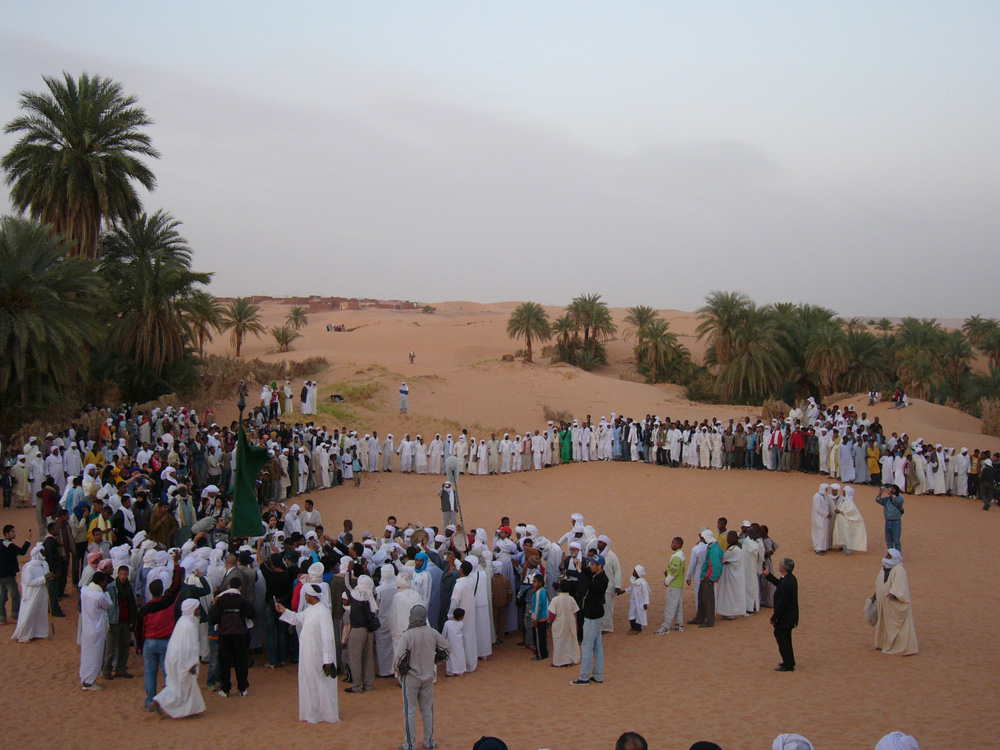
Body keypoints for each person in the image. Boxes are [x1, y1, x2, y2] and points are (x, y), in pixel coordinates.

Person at [276, 583, 339, 723]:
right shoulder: (311, 610)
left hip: (317, 654)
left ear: (311, 596)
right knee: (309, 682)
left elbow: (328, 637)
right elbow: (298, 618)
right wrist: (284, 610)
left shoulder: (323, 612)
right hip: (307, 654)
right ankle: (312, 713)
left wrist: (328, 659)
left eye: (305, 594)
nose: (304, 597)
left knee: (318, 683)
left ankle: (323, 714)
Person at [393, 604, 450, 750]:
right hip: (428, 676)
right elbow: (446, 649)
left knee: (409, 711)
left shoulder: (407, 635)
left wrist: (399, 671)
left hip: (411, 677)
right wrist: (435, 660)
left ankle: (410, 744)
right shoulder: (432, 633)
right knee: (427, 711)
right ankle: (428, 741)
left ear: (411, 618)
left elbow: (398, 657)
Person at [136, 560, 182, 708]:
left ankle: (150, 701)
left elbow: (138, 629)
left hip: (149, 642)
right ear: (162, 590)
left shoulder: (145, 608)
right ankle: (168, 702)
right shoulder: (168, 601)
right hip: (165, 642)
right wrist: (176, 564)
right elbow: (176, 584)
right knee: (168, 673)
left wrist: (139, 646)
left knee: (150, 673)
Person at [151, 598, 206, 718]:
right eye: (196, 609)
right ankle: (159, 701)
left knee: (180, 686)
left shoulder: (183, 621)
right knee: (180, 688)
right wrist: (191, 664)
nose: (198, 611)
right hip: (183, 661)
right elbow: (189, 647)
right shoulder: (189, 625)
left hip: (175, 659)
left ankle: (190, 710)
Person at [209, 575, 255, 697]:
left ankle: (226, 689)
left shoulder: (221, 600)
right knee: (241, 661)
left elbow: (213, 618)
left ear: (228, 586)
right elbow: (252, 613)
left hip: (225, 635)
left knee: (224, 662)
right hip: (239, 635)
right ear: (240, 587)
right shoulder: (242, 600)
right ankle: (242, 688)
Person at [871, 549, 918, 656]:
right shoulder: (884, 569)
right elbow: (880, 585)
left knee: (898, 626)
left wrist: (893, 593)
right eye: (887, 554)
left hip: (894, 603)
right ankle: (883, 643)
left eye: (888, 555)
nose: (886, 556)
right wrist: (875, 596)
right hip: (885, 603)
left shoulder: (899, 569)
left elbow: (900, 585)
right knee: (885, 624)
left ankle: (900, 646)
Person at [571, 552, 608, 685]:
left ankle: (584, 677)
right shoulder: (597, 575)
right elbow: (587, 573)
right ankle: (598, 675)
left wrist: (580, 572)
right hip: (596, 615)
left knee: (587, 646)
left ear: (600, 566)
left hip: (592, 616)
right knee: (597, 647)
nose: (591, 566)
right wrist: (580, 566)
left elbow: (588, 584)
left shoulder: (602, 580)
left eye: (593, 564)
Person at [344, 574, 377, 693]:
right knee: (369, 658)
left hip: (357, 631)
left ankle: (356, 686)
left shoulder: (354, 596)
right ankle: (368, 684)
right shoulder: (372, 595)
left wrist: (348, 570)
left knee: (355, 659)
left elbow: (347, 584)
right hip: (369, 631)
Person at [763, 558, 798, 672]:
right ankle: (789, 661)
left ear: (783, 568)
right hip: (789, 616)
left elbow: (782, 604)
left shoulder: (787, 582)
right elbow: (779, 584)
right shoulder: (790, 579)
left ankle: (788, 664)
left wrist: (774, 618)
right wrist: (769, 576)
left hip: (785, 618)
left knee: (783, 640)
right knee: (785, 640)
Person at [80, 571, 113, 689]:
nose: (105, 584)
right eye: (104, 581)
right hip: (96, 630)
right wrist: (106, 592)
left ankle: (85, 678)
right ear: (100, 582)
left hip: (87, 629)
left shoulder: (84, 591)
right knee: (95, 656)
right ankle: (89, 682)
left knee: (86, 655)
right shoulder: (99, 596)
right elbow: (108, 604)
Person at [103, 565, 137, 679]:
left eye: (125, 574)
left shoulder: (130, 587)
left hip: (126, 621)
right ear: (118, 574)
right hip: (114, 620)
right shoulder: (111, 587)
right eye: (121, 574)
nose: (123, 577)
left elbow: (133, 603)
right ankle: (107, 671)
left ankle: (121, 670)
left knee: (124, 647)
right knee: (111, 648)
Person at [11, 542, 49, 643]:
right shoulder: (29, 567)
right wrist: (43, 579)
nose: (44, 553)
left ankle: (39, 632)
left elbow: (47, 576)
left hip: (42, 592)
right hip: (32, 594)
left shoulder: (44, 564)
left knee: (41, 612)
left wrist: (49, 578)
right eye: (42, 552)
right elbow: (28, 581)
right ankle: (24, 635)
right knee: (29, 613)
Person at [689, 529, 723, 628]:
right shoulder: (711, 547)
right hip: (704, 576)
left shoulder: (714, 549)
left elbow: (715, 565)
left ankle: (709, 620)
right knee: (701, 598)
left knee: (708, 600)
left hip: (708, 578)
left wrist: (711, 577)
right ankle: (700, 617)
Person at [0, 524, 32, 625]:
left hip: (1, 575)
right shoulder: (9, 545)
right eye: (12, 532)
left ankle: (2, 618)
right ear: (6, 534)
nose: (14, 534)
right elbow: (22, 552)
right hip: (8, 574)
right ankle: (15, 616)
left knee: (2, 596)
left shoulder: (2, 543)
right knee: (15, 595)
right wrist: (28, 539)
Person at [655, 536, 685, 634]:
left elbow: (674, 571)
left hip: (674, 585)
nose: (671, 544)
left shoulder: (677, 556)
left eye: (673, 543)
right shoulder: (681, 554)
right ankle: (679, 624)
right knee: (678, 605)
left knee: (670, 606)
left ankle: (665, 627)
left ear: (678, 545)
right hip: (679, 584)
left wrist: (667, 581)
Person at [549, 580, 580, 667]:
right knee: (569, 641)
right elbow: (575, 613)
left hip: (558, 624)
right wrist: (576, 624)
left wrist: (551, 623)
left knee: (558, 642)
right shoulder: (572, 599)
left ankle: (558, 662)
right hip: (570, 623)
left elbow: (552, 615)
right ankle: (568, 660)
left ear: (559, 587)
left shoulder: (555, 600)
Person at [832, 486, 868, 555]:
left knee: (847, 535)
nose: (843, 492)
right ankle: (844, 548)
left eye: (844, 491)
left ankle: (848, 550)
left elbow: (851, 511)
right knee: (842, 535)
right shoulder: (843, 500)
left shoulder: (850, 501)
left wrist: (840, 511)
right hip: (841, 521)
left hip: (846, 521)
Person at [876, 484, 904, 551]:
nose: (891, 490)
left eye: (893, 489)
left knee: (896, 541)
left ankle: (898, 556)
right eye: (891, 489)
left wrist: (890, 494)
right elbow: (878, 500)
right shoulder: (887, 500)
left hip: (896, 522)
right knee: (888, 541)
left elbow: (897, 501)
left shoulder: (900, 499)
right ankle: (890, 555)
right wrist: (880, 493)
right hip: (888, 521)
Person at [528, 573, 549, 659]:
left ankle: (539, 655)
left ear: (540, 583)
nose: (533, 583)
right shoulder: (544, 591)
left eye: (535, 581)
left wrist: (535, 619)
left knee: (538, 638)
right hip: (544, 618)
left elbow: (537, 607)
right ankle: (544, 653)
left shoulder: (538, 593)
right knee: (543, 637)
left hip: (539, 619)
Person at [625, 565, 649, 634]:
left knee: (639, 615)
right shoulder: (633, 581)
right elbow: (631, 588)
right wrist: (623, 591)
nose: (633, 572)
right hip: (633, 601)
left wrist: (646, 603)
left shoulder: (643, 583)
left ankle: (638, 629)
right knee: (631, 613)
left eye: (634, 571)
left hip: (640, 602)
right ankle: (632, 627)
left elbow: (645, 593)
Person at [442, 606, 466, 676]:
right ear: (461, 617)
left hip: (450, 643)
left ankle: (450, 672)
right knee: (460, 656)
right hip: (459, 643)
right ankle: (460, 670)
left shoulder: (447, 623)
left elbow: (444, 634)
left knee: (451, 658)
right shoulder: (461, 624)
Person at [811, 483, 831, 555]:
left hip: (823, 518)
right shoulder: (817, 496)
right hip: (819, 518)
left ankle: (823, 547)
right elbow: (818, 508)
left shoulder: (824, 496)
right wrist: (826, 514)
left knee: (823, 532)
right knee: (820, 532)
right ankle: (818, 548)